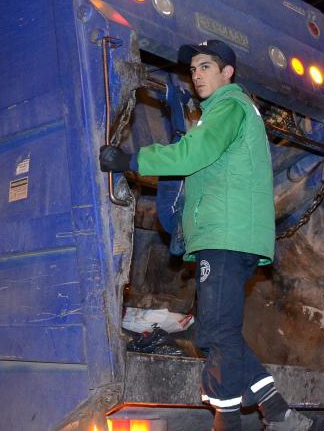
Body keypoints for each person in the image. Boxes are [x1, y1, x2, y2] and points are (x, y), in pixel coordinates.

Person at [100, 40, 312, 431]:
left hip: (227, 236)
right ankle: (278, 411)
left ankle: (231, 420)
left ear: (227, 72)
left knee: (215, 332)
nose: (196, 75)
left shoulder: (229, 107)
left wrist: (132, 160)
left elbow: (191, 155)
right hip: (230, 235)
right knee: (218, 331)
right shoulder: (226, 111)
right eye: (193, 69)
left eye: (205, 67)